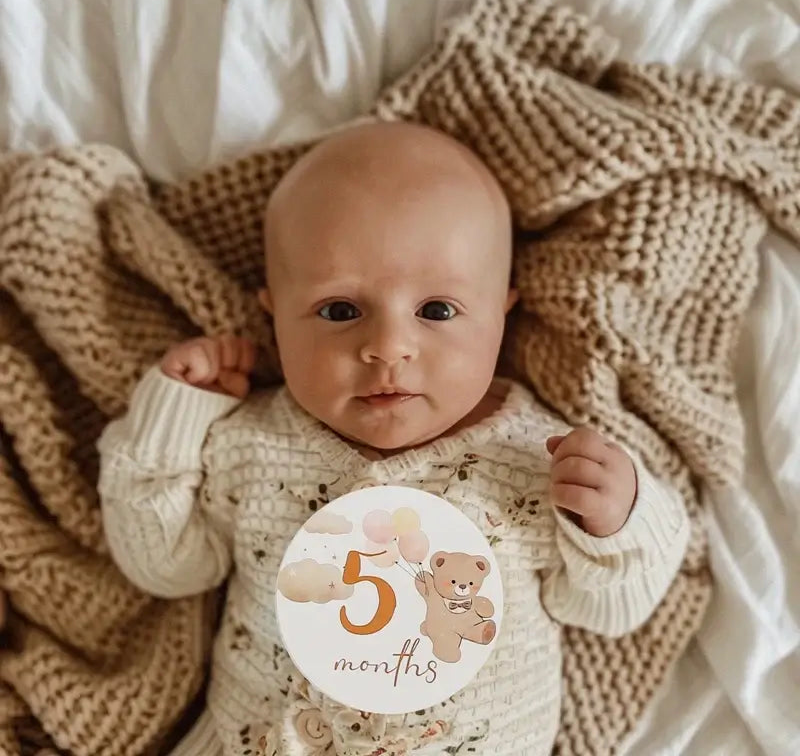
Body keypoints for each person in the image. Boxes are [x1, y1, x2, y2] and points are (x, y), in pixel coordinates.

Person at [98, 121, 689, 756]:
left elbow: (610, 610)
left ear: (501, 312)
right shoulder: (251, 446)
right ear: (273, 314)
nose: (385, 348)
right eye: (339, 311)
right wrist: (173, 418)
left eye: (436, 311)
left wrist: (620, 518)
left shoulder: (539, 461)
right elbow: (165, 566)